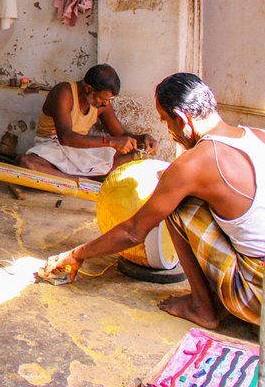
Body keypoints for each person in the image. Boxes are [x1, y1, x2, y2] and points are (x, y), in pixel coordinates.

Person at [42, 73, 264, 328]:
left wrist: (78, 253)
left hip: (255, 294)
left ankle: (202, 307)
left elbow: (134, 232)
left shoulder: (195, 163)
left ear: (181, 118)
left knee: (178, 206)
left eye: (166, 121)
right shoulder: (258, 136)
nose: (170, 132)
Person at [17, 63, 157, 180]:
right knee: (26, 163)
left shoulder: (103, 104)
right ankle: (76, 179)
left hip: (81, 150)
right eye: (103, 99)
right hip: (53, 147)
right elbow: (66, 138)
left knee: (133, 156)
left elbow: (120, 134)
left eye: (109, 100)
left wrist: (141, 139)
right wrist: (111, 142)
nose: (105, 104)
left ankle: (67, 178)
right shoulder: (64, 92)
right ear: (88, 89)